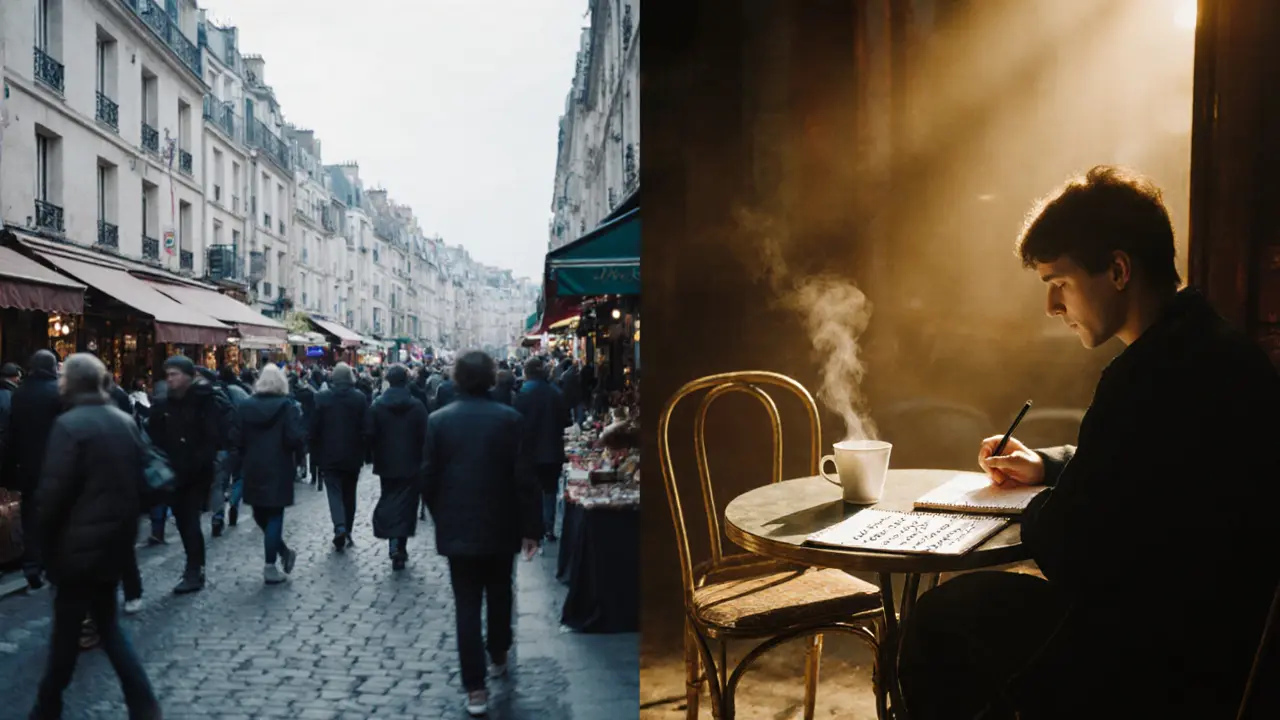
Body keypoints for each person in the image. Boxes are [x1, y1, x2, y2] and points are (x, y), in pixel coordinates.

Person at [897, 166, 1280, 720]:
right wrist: (1048, 467)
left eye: (1061, 283)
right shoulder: (1221, 348)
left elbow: (1070, 549)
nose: (1053, 308)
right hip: (1234, 645)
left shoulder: (1141, 377)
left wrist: (1037, 508)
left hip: (1161, 661)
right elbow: (1145, 462)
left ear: (1119, 270)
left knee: (940, 620)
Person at [29, 353, 161, 719]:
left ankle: (46, 706)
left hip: (76, 548)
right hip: (115, 543)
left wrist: (42, 545)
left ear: (71, 383)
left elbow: (53, 493)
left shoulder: (69, 426)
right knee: (107, 628)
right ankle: (143, 702)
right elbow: (143, 480)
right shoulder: (123, 421)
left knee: (66, 637)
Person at [423, 351, 542, 717]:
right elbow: (525, 478)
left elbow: (428, 477)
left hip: (458, 525)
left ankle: (475, 688)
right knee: (501, 589)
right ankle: (499, 651)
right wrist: (531, 528)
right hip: (500, 521)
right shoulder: (509, 419)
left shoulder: (438, 421)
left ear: (456, 378)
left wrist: (441, 513)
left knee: (467, 604)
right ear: (491, 378)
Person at [147, 355, 234, 594]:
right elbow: (154, 433)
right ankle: (194, 568)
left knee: (189, 521)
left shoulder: (204, 401)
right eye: (168, 375)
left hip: (196, 474)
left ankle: (194, 570)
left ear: (188, 376)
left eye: (174, 374)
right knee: (186, 523)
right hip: (173, 473)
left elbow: (215, 436)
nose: (170, 379)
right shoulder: (165, 403)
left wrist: (200, 461)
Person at [235, 365, 303, 584]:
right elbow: (293, 438)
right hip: (279, 465)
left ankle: (278, 555)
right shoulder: (287, 406)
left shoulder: (246, 406)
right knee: (274, 515)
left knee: (260, 513)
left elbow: (237, 437)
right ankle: (272, 563)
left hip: (254, 466)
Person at [1, 350, 62, 590]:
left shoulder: (20, 393)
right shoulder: (58, 392)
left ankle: (31, 564)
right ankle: (49, 562)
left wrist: (9, 469)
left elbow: (12, 432)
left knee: (30, 517)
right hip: (55, 465)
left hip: (26, 466)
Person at [368, 364, 428, 570]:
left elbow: (370, 434)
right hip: (411, 462)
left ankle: (394, 543)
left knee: (390, 497)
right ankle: (399, 545)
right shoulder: (417, 406)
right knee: (407, 504)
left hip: (386, 462)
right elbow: (425, 435)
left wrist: (373, 453)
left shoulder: (377, 405)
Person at [311, 362, 369, 551]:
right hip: (352, 455)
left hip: (329, 455)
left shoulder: (322, 398)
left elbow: (315, 428)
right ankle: (348, 529)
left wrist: (314, 450)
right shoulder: (359, 398)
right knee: (349, 494)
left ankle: (339, 526)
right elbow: (365, 427)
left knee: (334, 493)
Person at [514, 357, 571, 543]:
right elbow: (566, 421)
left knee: (532, 491)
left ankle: (534, 528)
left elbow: (516, 423)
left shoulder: (522, 394)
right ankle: (548, 527)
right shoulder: (555, 393)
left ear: (527, 372)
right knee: (550, 491)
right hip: (552, 450)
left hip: (528, 451)